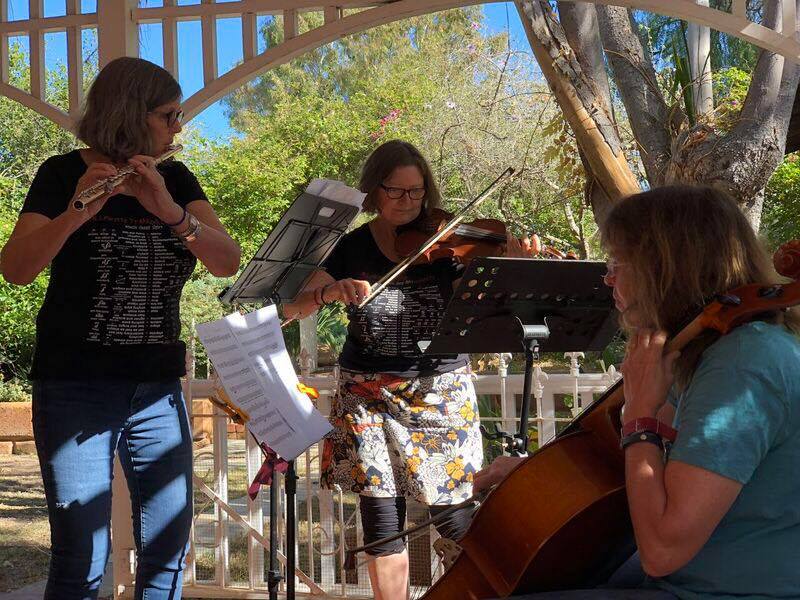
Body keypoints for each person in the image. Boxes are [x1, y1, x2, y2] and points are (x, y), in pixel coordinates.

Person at [474, 185, 800, 599]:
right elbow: (640, 471)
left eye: (617, 262)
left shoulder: (741, 365)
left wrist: (641, 416)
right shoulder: (714, 355)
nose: (608, 278)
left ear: (666, 269)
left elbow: (662, 550)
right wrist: (534, 478)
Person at [0, 57, 240, 599]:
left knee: (169, 548)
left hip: (157, 387)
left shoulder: (176, 179)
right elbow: (16, 268)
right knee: (81, 556)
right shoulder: (60, 174)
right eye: (168, 115)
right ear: (131, 113)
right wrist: (77, 211)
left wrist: (171, 212)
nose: (178, 127)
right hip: (75, 385)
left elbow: (227, 260)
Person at [283, 139, 531, 600]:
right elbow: (292, 307)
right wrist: (329, 292)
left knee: (454, 516)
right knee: (382, 519)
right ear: (373, 191)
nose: (408, 202)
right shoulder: (351, 246)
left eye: (416, 192)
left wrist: (513, 269)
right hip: (366, 394)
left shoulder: (447, 242)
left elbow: (486, 307)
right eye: (395, 191)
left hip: (438, 389)